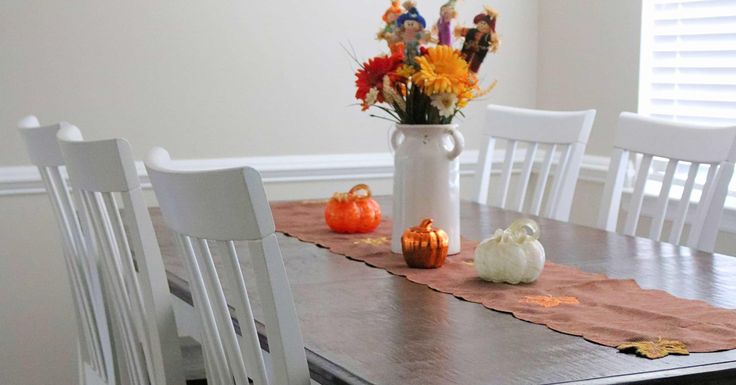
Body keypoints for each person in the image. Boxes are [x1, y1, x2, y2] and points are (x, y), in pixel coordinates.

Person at [456, 6, 500, 73]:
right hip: (466, 52)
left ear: (489, 28)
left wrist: (495, 43)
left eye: (484, 24)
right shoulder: (471, 31)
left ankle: (470, 76)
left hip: (478, 56)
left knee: (473, 68)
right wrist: (458, 30)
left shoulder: (487, 37)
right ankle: (459, 72)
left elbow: (494, 41)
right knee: (461, 64)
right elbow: (461, 31)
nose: (482, 25)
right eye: (481, 23)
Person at [395, 1, 431, 65]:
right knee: (406, 57)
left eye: (413, 23)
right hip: (406, 49)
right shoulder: (404, 33)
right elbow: (397, 38)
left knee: (416, 58)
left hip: (416, 49)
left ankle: (416, 67)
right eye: (408, 22)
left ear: (419, 25)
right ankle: (408, 66)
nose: (410, 24)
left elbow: (425, 38)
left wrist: (428, 36)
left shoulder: (417, 34)